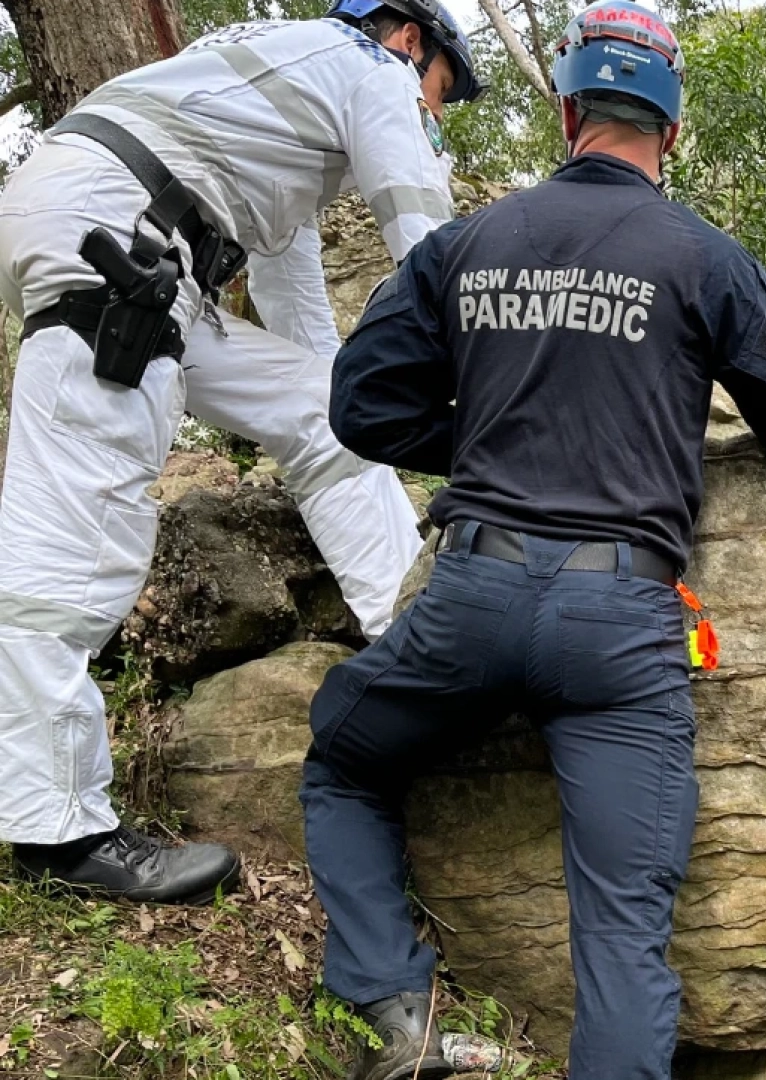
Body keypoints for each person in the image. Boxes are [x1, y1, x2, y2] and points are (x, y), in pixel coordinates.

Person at [298, 3, 766, 1077]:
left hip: (470, 599)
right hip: (620, 631)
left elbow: (361, 404)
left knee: (343, 760)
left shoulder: (468, 242)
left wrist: (488, 435)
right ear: (672, 133)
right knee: (622, 942)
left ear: (565, 113)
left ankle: (391, 1008)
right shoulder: (704, 255)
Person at [0, 0, 485, 904]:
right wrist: (494, 393)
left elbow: (302, 317)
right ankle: (59, 832)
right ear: (408, 38)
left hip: (131, 231)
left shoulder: (284, 93)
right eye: (442, 92)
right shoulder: (368, 68)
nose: (433, 113)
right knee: (82, 536)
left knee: (317, 406)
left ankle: (402, 624)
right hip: (120, 237)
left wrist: (369, 409)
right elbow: (430, 242)